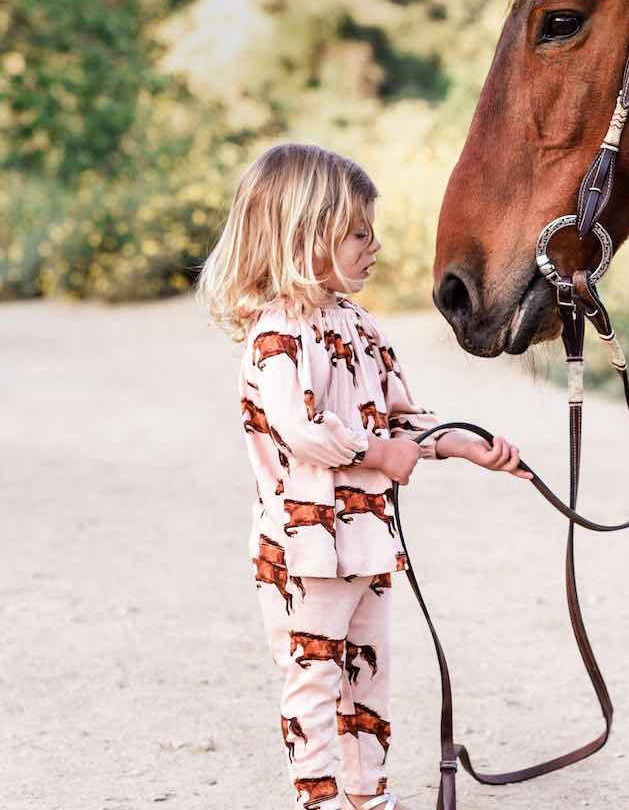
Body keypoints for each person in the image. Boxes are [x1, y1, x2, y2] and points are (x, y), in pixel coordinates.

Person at [195, 141, 530, 810]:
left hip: (366, 545)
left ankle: (368, 797)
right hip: (305, 552)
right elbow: (303, 429)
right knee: (314, 683)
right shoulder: (277, 338)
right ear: (303, 235)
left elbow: (398, 417)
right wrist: (378, 456)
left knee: (368, 679)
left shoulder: (360, 327)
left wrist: (462, 443)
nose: (373, 246)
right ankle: (320, 801)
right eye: (358, 233)